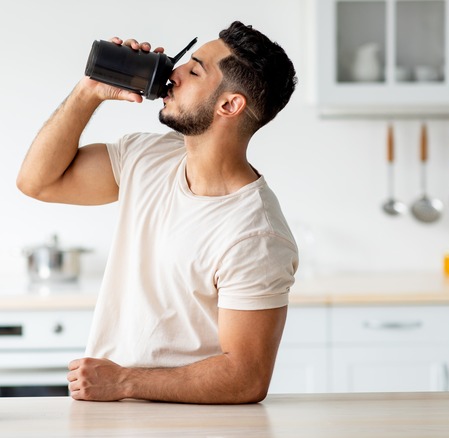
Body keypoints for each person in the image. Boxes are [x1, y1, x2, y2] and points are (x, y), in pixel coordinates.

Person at [16, 21, 298, 404]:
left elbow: (245, 377)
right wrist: (90, 91)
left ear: (229, 105)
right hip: (112, 415)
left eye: (195, 70)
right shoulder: (147, 158)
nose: (174, 72)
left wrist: (124, 382)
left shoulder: (257, 234)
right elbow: (38, 182)